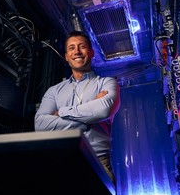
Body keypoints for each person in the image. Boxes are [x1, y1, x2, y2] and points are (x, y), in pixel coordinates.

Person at [34, 30, 120, 184]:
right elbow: (40, 125)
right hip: (61, 162)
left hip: (98, 163)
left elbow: (103, 110)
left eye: (82, 47)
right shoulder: (53, 91)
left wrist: (61, 112)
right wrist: (88, 118)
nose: (77, 52)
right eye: (71, 48)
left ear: (92, 52)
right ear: (66, 56)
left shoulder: (107, 83)